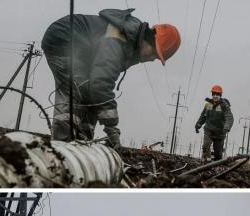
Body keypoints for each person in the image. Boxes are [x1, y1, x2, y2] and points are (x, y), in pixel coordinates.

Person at [41, 9, 181, 147]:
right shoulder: (119, 37)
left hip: (82, 47)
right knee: (76, 90)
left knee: (89, 93)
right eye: (154, 54)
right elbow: (101, 84)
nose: (151, 59)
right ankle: (61, 148)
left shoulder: (130, 45)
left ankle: (82, 143)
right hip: (65, 38)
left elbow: (97, 90)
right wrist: (112, 129)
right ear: (150, 40)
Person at [195, 85, 234, 161]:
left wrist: (227, 127)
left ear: (220, 96)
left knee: (218, 155)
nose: (215, 96)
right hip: (209, 130)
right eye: (214, 94)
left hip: (220, 132)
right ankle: (206, 161)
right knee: (205, 146)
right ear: (212, 95)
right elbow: (203, 116)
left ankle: (216, 164)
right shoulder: (208, 104)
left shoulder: (224, 106)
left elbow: (229, 117)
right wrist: (198, 125)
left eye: (217, 95)